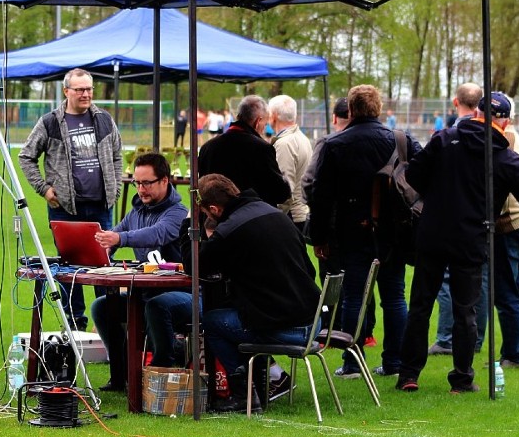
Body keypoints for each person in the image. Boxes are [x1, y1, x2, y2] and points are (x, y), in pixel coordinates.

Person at [396, 90, 519, 394]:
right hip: (471, 237)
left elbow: (414, 176)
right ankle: (461, 378)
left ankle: (409, 373)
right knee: (465, 310)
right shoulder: (504, 158)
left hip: (433, 231)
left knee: (420, 306)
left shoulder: (444, 140)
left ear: (477, 113)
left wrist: (440, 191)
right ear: (505, 122)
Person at [307, 84, 421, 379]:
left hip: (352, 231)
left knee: (353, 297)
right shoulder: (400, 140)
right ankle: (395, 362)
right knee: (394, 297)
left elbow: (321, 196)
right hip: (394, 231)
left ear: (352, 110)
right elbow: (422, 179)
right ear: (378, 108)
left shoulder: (335, 145)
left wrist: (319, 237)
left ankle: (352, 362)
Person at [183, 174, 320, 412]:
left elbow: (193, 265)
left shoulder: (230, 229)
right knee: (243, 317)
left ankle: (243, 393)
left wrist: (189, 223)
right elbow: (309, 271)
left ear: (213, 209)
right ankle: (262, 380)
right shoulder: (274, 213)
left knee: (213, 321)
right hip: (313, 320)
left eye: (206, 213)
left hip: (288, 329)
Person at [19, 68, 122, 332]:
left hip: (100, 208)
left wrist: (116, 187)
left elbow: (117, 156)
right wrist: (44, 189)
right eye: (80, 89)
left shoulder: (104, 120)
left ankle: (108, 327)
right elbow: (26, 156)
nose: (86, 94)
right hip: (64, 209)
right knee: (69, 270)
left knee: (103, 268)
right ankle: (74, 327)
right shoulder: (50, 122)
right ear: (67, 91)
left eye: (89, 89)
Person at [89, 153, 189, 391]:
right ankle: (122, 375)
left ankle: (162, 371)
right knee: (102, 307)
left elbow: (157, 233)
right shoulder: (136, 211)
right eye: (137, 183)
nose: (141, 189)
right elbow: (115, 235)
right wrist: (98, 246)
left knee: (156, 306)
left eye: (147, 183)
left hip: (182, 294)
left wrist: (119, 239)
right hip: (145, 294)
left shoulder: (178, 213)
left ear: (165, 181)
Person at [428, 83, 490, 357]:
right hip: (479, 222)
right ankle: (473, 341)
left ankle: (445, 338)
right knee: (478, 283)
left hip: (450, 220)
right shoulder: (491, 137)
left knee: (445, 282)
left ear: (456, 101)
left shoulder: (447, 135)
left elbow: (422, 175)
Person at [493, 100, 519, 368]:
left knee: (507, 292)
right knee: (516, 290)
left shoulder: (505, 141)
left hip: (509, 222)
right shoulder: (515, 138)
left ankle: (513, 354)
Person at [197, 95, 290, 207]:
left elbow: (201, 189)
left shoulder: (207, 148)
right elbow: (280, 193)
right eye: (265, 125)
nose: (264, 129)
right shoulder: (262, 148)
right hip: (251, 219)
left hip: (215, 219)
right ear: (258, 121)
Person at [268, 95, 312, 233]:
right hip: (299, 213)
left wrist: (273, 219)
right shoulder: (301, 138)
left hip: (291, 216)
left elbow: (285, 189)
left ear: (273, 116)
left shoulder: (284, 144)